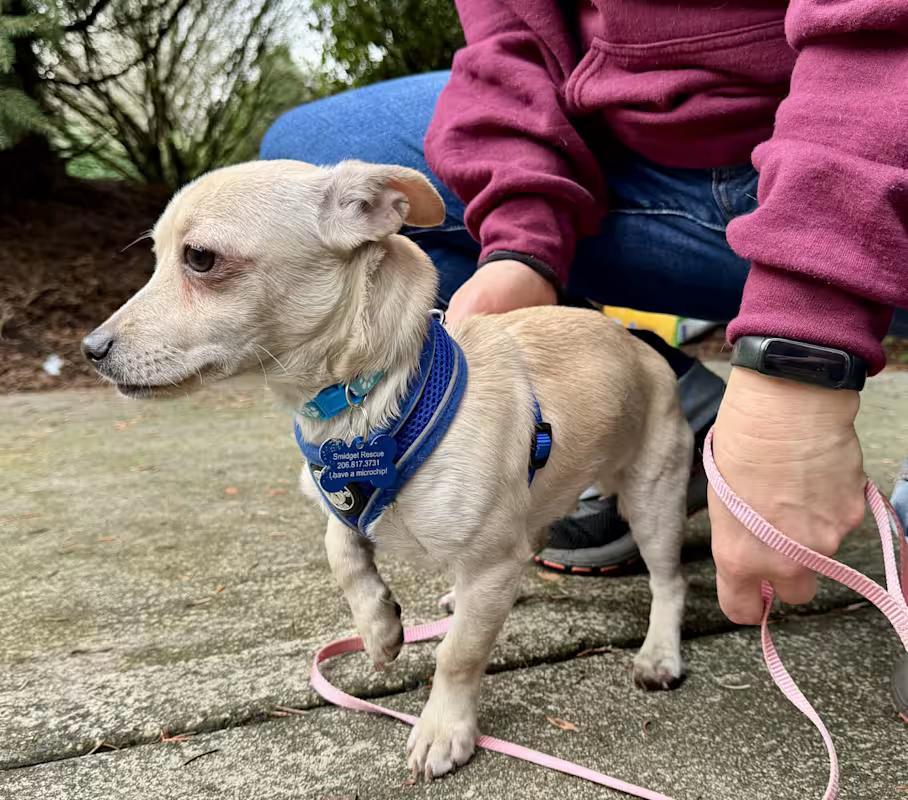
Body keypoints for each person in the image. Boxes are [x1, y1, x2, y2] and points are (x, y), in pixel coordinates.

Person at [260, 0, 908, 626]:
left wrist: (798, 361)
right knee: (314, 154)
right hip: (653, 164)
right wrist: (521, 246)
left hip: (874, 137)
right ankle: (663, 417)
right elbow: (510, 44)